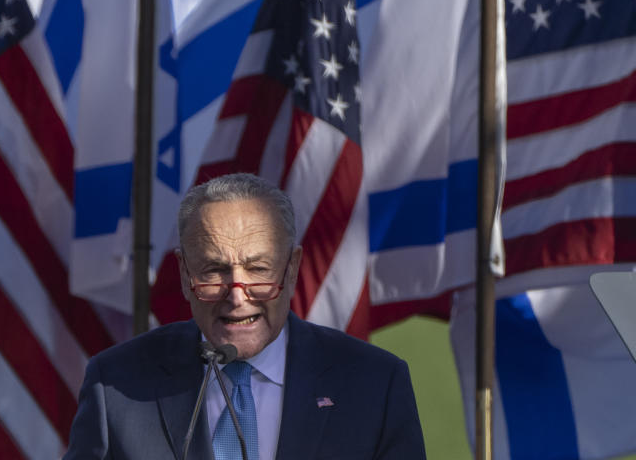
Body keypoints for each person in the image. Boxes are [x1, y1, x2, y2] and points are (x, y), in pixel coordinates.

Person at [63, 173, 425, 459]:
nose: (237, 295)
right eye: (214, 270)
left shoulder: (375, 384)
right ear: (185, 274)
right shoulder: (115, 384)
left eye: (258, 269)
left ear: (292, 268)